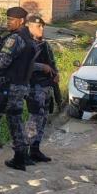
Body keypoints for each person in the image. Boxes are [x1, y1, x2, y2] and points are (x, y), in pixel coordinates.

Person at [0, 7, 36, 171]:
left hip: (8, 86)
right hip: (20, 86)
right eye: (7, 19)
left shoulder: (15, 39)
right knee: (15, 122)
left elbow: (3, 61)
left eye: (11, 20)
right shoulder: (29, 39)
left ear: (21, 21)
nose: (8, 22)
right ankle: (20, 158)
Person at [25, 15, 57, 163]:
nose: (42, 29)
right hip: (34, 86)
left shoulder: (44, 45)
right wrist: (41, 67)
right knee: (34, 118)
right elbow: (24, 64)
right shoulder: (27, 44)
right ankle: (24, 149)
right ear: (30, 27)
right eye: (39, 26)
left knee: (43, 118)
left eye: (43, 26)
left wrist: (56, 74)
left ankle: (35, 149)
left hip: (46, 86)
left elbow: (51, 62)